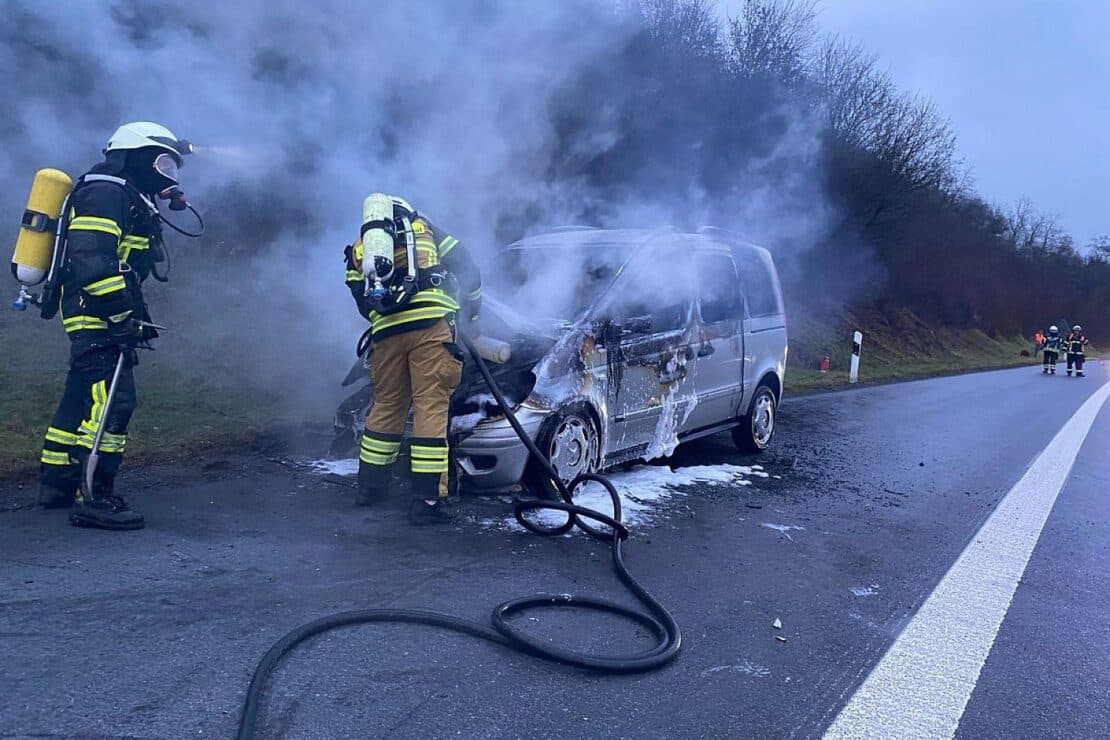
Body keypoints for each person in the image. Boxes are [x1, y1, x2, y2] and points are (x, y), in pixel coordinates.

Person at [37, 122, 194, 530]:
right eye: (162, 164)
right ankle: (94, 495)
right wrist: (122, 315)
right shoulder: (105, 194)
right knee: (113, 401)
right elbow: (94, 260)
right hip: (97, 310)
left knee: (81, 395)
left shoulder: (123, 194)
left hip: (100, 309)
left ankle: (57, 483)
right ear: (134, 158)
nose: (167, 175)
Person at [343, 194, 482, 524]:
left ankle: (370, 488)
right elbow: (467, 267)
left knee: (387, 405)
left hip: (386, 334)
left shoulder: (361, 248)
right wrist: (472, 311)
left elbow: (362, 302)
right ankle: (428, 501)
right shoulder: (424, 229)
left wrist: (389, 316)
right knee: (429, 405)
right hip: (431, 328)